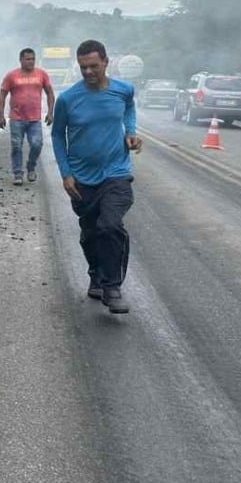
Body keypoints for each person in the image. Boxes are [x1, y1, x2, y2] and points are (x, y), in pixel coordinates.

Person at [51, 39, 142, 314]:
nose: (88, 72)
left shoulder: (123, 90)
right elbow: (57, 135)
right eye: (83, 68)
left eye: (93, 66)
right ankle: (95, 274)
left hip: (116, 173)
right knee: (90, 234)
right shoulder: (68, 99)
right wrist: (66, 174)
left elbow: (129, 108)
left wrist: (131, 131)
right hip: (81, 179)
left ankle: (112, 287)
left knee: (109, 226)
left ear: (105, 62)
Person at [0, 48, 55, 186]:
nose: (31, 62)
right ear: (21, 60)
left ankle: (31, 166)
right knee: (16, 146)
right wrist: (1, 115)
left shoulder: (41, 74)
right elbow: (2, 96)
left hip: (35, 119)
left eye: (33, 59)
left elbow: (50, 93)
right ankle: (17, 173)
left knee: (37, 144)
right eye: (28, 59)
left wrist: (50, 112)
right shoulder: (12, 76)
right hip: (17, 118)